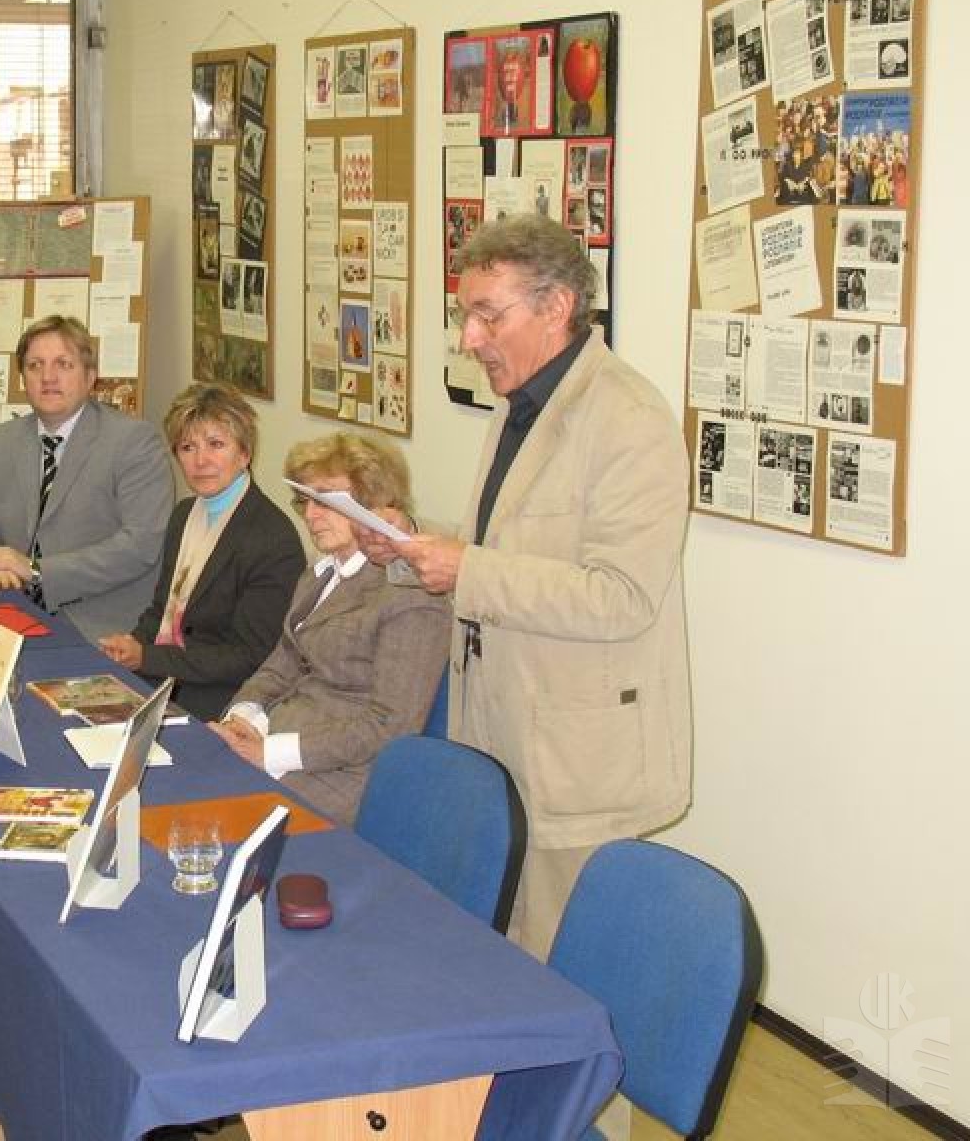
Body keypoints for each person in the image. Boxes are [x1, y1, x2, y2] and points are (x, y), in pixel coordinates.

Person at [363, 215, 692, 963]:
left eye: (488, 315)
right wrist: (411, 539)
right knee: (495, 951)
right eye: (465, 316)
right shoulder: (522, 402)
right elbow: (513, 549)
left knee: (558, 971)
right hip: (499, 729)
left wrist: (467, 570)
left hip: (576, 758)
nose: (469, 339)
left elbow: (621, 596)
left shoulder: (629, 419)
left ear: (556, 307)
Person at [209, 433, 450, 825]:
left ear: (374, 505)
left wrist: (270, 752)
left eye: (325, 501)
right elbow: (283, 660)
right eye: (305, 500)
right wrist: (243, 715)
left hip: (341, 774)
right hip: (277, 741)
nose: (310, 515)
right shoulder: (319, 574)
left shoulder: (410, 596)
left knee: (215, 825)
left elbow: (390, 726)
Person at [0, 315, 173, 641]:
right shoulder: (1, 441)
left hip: (101, 626)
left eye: (63, 364)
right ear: (23, 378)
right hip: (15, 609)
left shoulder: (134, 442)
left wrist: (34, 570)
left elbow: (141, 545)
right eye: (35, 366)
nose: (48, 377)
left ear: (90, 377)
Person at [98, 384, 304, 721]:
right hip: (164, 677)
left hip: (219, 701)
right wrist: (129, 645)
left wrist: (146, 658)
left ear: (245, 453)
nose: (201, 461)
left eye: (216, 445)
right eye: (187, 447)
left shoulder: (273, 540)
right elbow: (161, 610)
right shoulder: (183, 515)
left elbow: (250, 657)